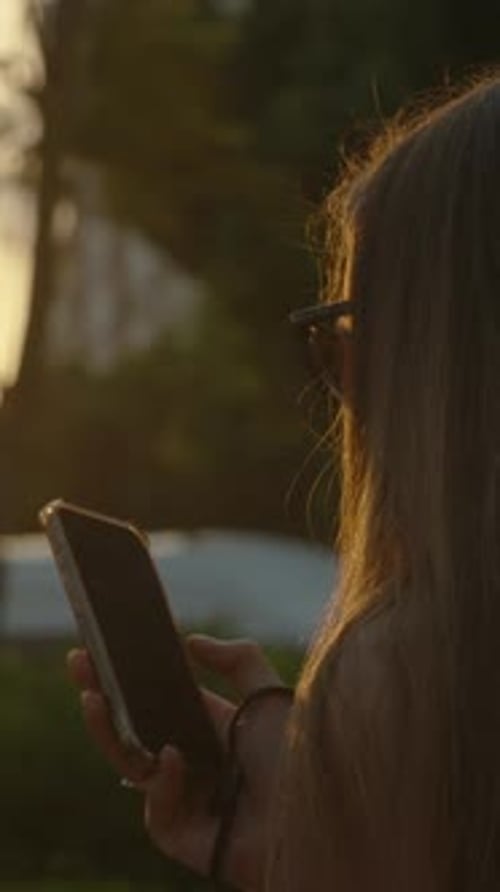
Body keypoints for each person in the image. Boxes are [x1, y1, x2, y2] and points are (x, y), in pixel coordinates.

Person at [68, 71, 500, 891]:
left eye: (346, 330)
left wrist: (344, 786)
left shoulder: (416, 672)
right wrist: (306, 830)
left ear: (432, 353)